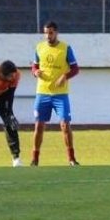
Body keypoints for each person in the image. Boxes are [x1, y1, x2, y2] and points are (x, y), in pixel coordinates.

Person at [30, 20, 80, 166]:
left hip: (60, 95)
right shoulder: (39, 48)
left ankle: (71, 158)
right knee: (39, 126)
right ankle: (35, 159)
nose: (48, 36)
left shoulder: (65, 48)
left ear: (56, 33)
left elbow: (75, 69)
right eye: (45, 33)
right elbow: (34, 66)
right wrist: (35, 72)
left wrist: (64, 76)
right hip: (42, 93)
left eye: (50, 33)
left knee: (65, 124)